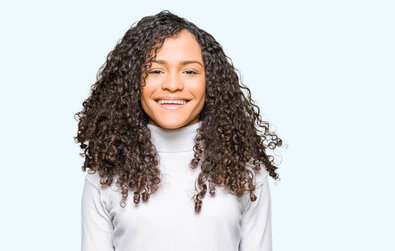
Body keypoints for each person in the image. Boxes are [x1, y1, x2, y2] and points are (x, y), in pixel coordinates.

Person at [74, 10, 283, 251]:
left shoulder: (245, 170)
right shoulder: (105, 174)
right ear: (131, 82)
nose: (173, 85)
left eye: (190, 71)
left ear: (211, 82)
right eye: (155, 71)